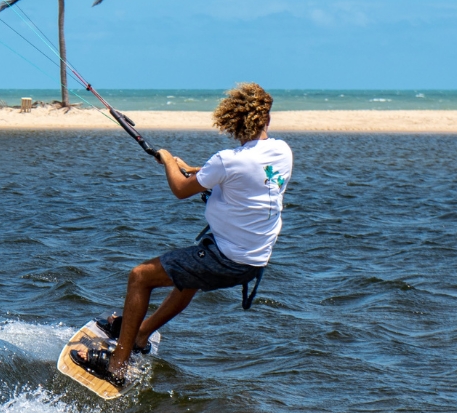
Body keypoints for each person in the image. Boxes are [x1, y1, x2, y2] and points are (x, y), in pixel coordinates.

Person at [71, 82, 293, 387]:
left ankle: (117, 365)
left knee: (140, 276)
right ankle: (140, 334)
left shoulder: (228, 160)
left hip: (226, 258)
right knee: (186, 281)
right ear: (266, 118)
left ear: (232, 121)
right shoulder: (282, 152)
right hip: (254, 259)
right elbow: (237, 172)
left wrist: (166, 160)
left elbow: (179, 189)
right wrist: (191, 168)